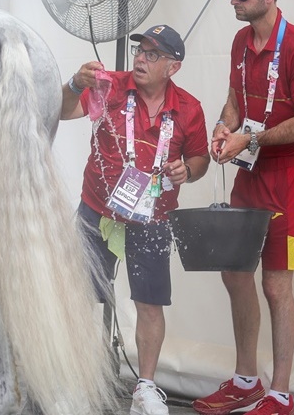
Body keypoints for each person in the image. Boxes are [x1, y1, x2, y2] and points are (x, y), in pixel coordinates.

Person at [194, 0, 294, 415]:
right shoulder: (239, 42)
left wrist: (255, 138)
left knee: (276, 285)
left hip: (289, 179)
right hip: (249, 173)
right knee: (234, 273)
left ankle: (280, 394)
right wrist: (223, 130)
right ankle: (246, 380)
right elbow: (234, 100)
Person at [60, 24, 208, 415]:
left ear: (172, 68)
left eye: (152, 54)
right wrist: (76, 83)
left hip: (152, 216)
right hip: (98, 206)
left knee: (149, 302)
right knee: (78, 296)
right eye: (140, 50)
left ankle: (144, 388)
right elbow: (63, 111)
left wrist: (187, 171)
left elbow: (201, 158)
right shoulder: (109, 86)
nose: (141, 58)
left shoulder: (189, 109)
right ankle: (75, 381)